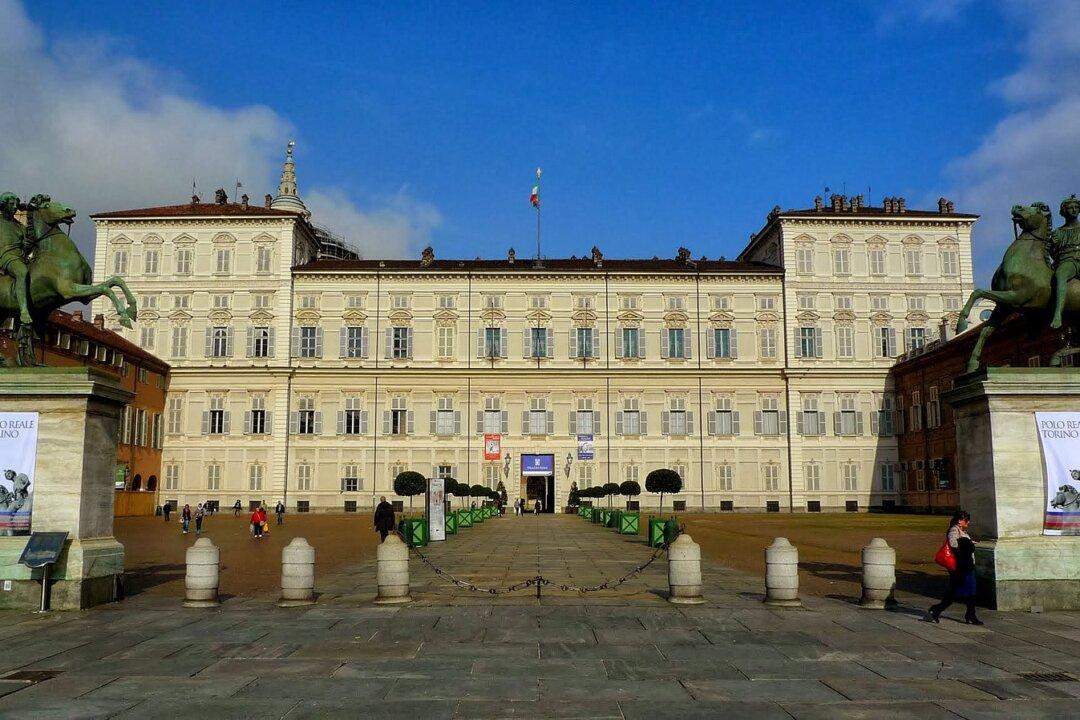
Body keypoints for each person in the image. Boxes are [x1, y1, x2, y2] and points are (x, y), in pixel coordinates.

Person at [928, 510, 983, 625]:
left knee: (970, 590)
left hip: (967, 565)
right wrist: (969, 544)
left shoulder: (960, 530)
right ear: (960, 521)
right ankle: (937, 609)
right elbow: (954, 544)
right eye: (966, 520)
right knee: (956, 591)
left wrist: (971, 542)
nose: (968, 522)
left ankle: (970, 614)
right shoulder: (954, 530)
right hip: (961, 566)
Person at [0, 192, 32, 326]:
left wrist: (27, 246)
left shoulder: (20, 227)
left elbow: (28, 248)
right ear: (4, 205)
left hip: (20, 257)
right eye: (11, 204)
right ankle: (24, 311)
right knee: (22, 272)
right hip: (5, 256)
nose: (14, 207)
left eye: (15, 204)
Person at [1050, 194, 1080, 329]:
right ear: (1063, 211)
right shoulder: (1058, 232)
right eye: (1070, 208)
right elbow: (1053, 255)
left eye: (1076, 207)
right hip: (1067, 262)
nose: (1074, 210)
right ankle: (1057, 314)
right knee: (1060, 275)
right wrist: (1052, 245)